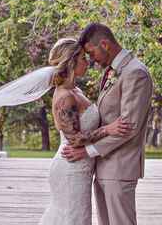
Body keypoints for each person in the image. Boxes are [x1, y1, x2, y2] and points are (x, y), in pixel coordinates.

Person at [61, 24, 153, 225]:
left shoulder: (136, 73)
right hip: (103, 167)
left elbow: (128, 127)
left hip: (120, 168)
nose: (91, 61)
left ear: (104, 44)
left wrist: (87, 151)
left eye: (91, 54)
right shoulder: (112, 71)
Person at [38, 37, 134, 225]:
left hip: (82, 168)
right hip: (71, 167)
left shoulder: (76, 91)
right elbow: (73, 139)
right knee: (74, 219)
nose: (88, 61)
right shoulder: (65, 97)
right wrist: (108, 129)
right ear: (71, 62)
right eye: (83, 58)